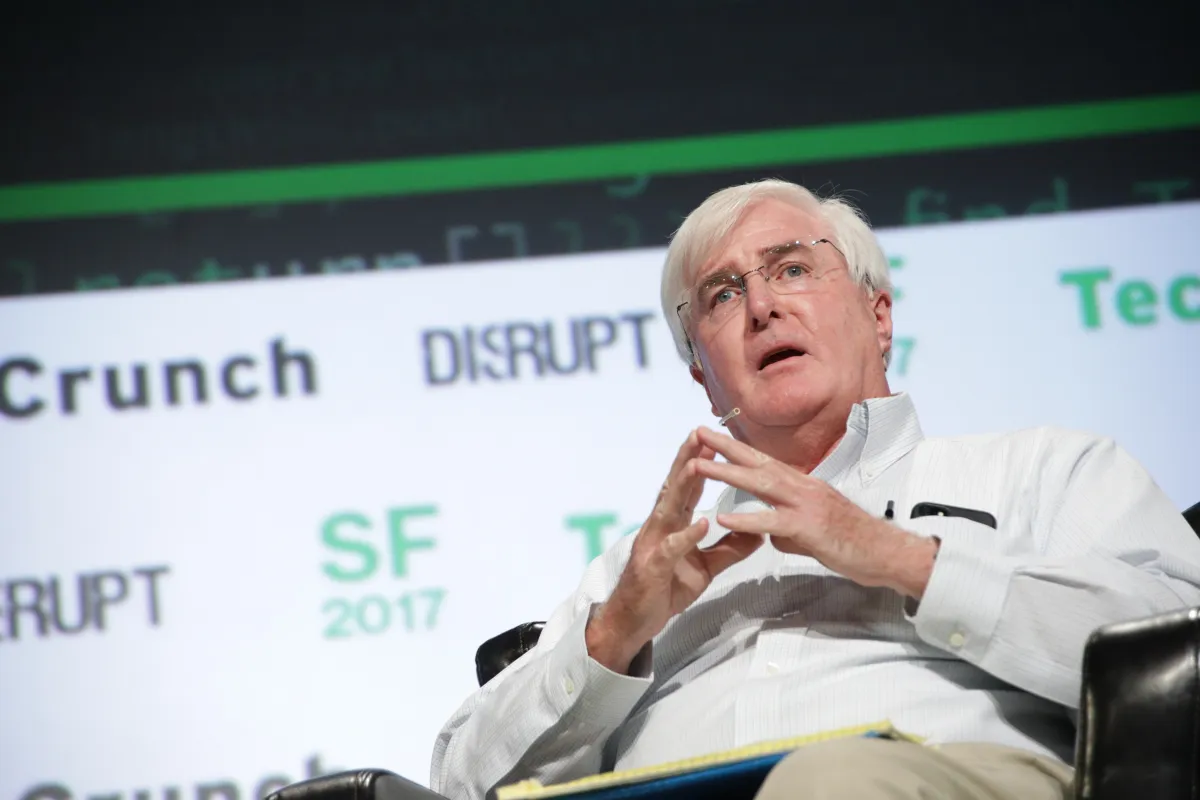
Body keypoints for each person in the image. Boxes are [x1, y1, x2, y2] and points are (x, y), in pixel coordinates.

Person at [430, 179, 1200, 799]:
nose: (762, 307)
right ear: (704, 377)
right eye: (722, 296)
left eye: (792, 269)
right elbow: (456, 783)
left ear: (878, 316)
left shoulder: (1045, 470)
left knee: (827, 784)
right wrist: (612, 637)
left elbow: (1173, 657)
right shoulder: (639, 569)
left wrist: (902, 559)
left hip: (931, 781)